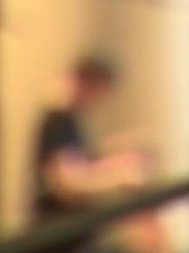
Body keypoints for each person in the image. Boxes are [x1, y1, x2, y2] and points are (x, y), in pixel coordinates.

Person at [33, 54, 152, 218]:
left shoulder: (70, 120)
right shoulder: (58, 121)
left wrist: (116, 161)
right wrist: (119, 178)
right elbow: (68, 183)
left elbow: (79, 165)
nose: (99, 100)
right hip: (61, 228)